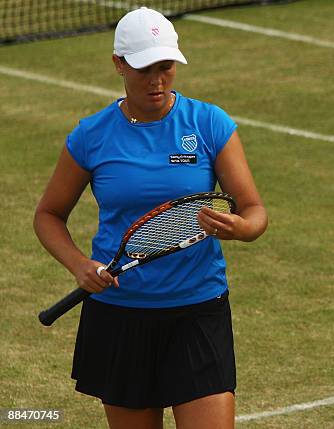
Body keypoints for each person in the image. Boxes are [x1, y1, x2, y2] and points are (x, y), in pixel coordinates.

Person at [33, 7, 267, 429]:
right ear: (119, 65)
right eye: (144, 69)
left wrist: (242, 228)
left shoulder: (210, 124)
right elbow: (48, 215)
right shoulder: (91, 135)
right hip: (119, 317)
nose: (157, 80)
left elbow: (254, 212)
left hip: (198, 311)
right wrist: (79, 266)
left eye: (166, 67)